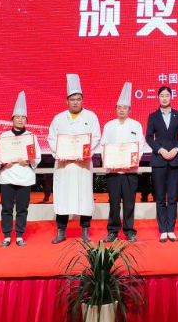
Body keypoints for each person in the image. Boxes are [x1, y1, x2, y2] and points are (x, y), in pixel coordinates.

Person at [48, 74, 101, 244]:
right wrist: (61, 153)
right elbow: (51, 139)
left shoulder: (91, 117)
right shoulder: (58, 118)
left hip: (82, 165)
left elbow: (96, 138)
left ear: (82, 100)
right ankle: (61, 232)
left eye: (78, 99)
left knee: (84, 198)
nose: (75, 102)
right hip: (64, 166)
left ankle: (85, 231)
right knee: (62, 197)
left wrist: (83, 153)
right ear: (67, 101)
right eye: (72, 99)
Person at [0, 91, 41, 247]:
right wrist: (3, 163)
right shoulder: (3, 136)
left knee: (22, 208)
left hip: (25, 177)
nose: (20, 119)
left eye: (23, 117)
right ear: (12, 119)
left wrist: (28, 162)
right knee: (6, 208)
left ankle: (19, 235)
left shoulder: (31, 137)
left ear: (26, 120)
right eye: (17, 117)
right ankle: (7, 236)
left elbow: (37, 157)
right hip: (7, 176)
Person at [99, 82, 146, 243]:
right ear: (115, 109)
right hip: (113, 172)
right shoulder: (108, 126)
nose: (121, 110)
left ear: (130, 110)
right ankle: (112, 231)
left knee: (129, 203)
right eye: (119, 107)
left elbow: (140, 145)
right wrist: (109, 160)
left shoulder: (136, 125)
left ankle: (129, 231)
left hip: (130, 171)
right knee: (113, 203)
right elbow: (103, 145)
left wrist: (131, 161)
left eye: (125, 108)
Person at [144, 86, 178, 243]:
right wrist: (161, 150)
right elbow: (149, 137)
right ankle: (163, 229)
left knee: (173, 197)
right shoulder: (153, 116)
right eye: (161, 95)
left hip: (175, 160)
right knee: (160, 197)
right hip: (159, 159)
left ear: (171, 97)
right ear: (158, 97)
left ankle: (171, 229)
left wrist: (176, 149)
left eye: (167, 95)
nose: (164, 98)